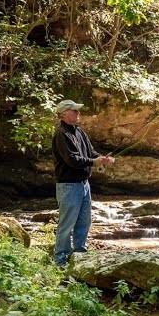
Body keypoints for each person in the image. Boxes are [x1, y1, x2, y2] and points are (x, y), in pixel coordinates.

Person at [51, 99, 114, 266]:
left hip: (84, 184)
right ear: (64, 114)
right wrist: (94, 162)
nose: (78, 113)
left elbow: (91, 152)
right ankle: (61, 260)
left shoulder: (79, 132)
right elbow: (72, 160)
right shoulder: (61, 135)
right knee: (67, 224)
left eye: (78, 111)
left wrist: (102, 159)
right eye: (75, 111)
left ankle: (80, 254)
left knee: (84, 221)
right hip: (68, 186)